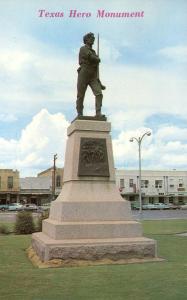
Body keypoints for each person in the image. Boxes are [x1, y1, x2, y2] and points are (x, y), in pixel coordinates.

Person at [76, 32, 105, 117]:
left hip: (93, 75)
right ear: (86, 40)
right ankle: (80, 112)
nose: (93, 39)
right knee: (81, 95)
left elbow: (96, 69)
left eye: (93, 38)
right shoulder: (83, 49)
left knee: (99, 94)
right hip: (84, 72)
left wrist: (99, 82)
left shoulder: (94, 51)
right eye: (91, 38)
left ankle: (98, 113)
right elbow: (90, 57)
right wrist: (97, 59)